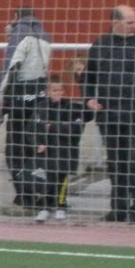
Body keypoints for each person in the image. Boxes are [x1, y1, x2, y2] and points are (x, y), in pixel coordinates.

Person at [82, 5, 135, 223]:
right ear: (116, 23)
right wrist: (88, 98)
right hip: (109, 113)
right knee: (115, 162)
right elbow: (88, 76)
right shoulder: (101, 44)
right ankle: (118, 209)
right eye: (130, 22)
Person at [0, 7, 52, 211]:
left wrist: (1, 95)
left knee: (14, 149)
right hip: (38, 95)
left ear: (15, 17)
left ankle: (23, 196)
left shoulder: (20, 33)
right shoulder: (44, 35)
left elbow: (11, 66)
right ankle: (36, 193)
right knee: (33, 147)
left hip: (19, 96)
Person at [27, 76, 91, 221]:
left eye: (60, 90)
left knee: (62, 180)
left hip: (65, 151)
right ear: (48, 92)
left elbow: (77, 128)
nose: (57, 93)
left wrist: (54, 127)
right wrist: (38, 144)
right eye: (54, 90)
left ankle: (61, 206)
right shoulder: (40, 107)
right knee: (47, 180)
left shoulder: (72, 108)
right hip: (46, 152)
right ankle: (45, 207)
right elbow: (31, 130)